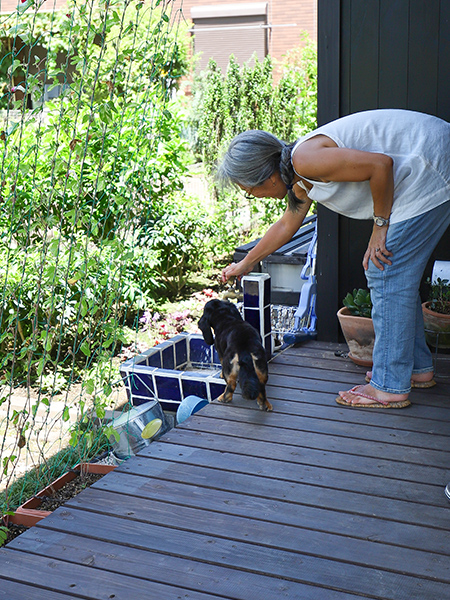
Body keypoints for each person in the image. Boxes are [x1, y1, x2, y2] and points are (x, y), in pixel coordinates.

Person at [218, 109, 450, 408]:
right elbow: (288, 223)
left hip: (432, 166)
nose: (252, 195)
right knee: (393, 274)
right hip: (429, 167)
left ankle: (390, 385)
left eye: (248, 189)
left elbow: (381, 165)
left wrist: (380, 227)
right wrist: (246, 262)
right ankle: (415, 369)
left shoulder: (306, 160)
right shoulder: (299, 178)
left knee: (385, 272)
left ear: (265, 176)